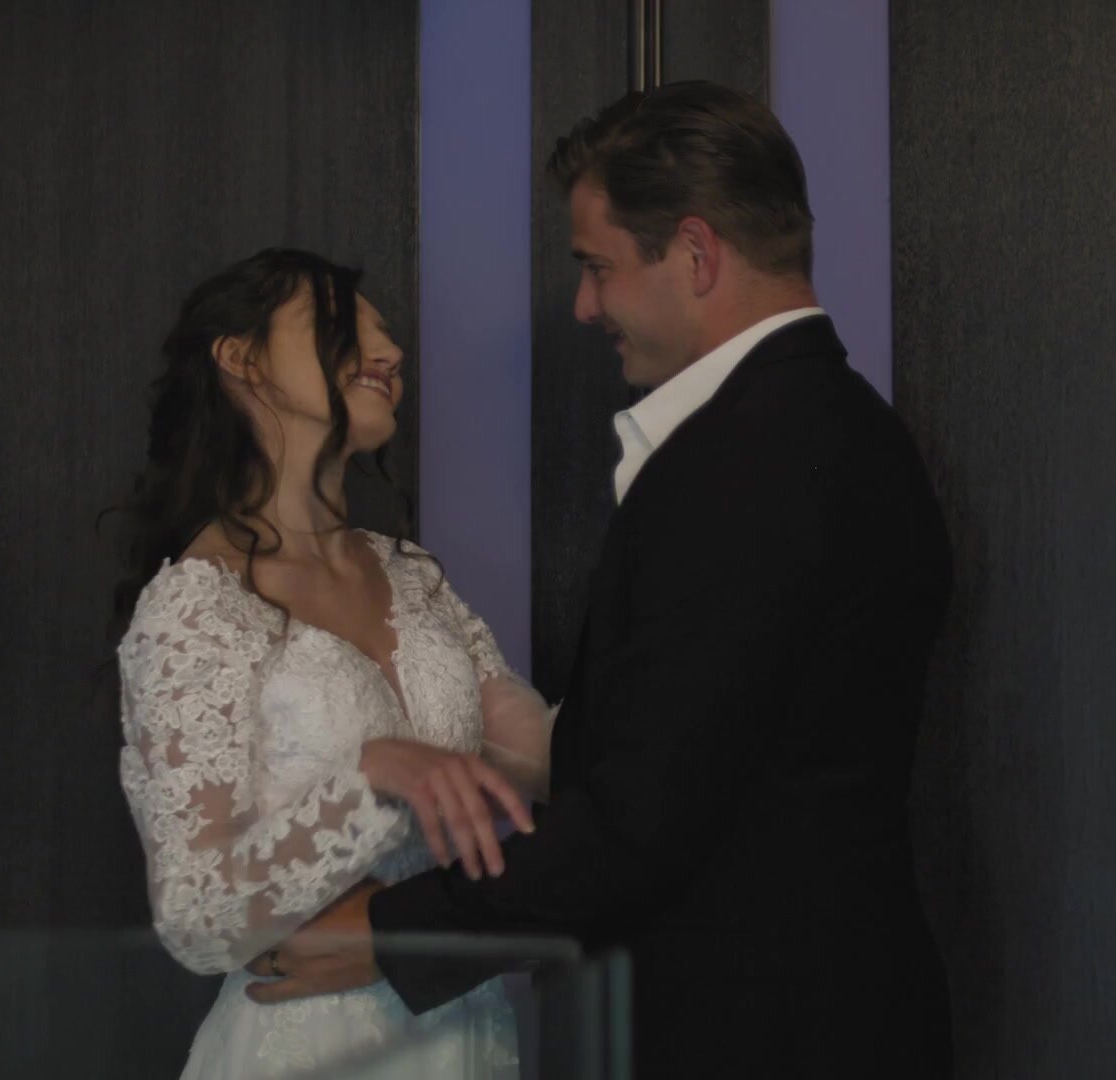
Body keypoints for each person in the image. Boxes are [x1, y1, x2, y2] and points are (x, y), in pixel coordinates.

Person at [257, 82, 956, 1078]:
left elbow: (642, 821)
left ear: (697, 254)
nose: (586, 306)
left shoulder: (748, 461)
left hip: (762, 1035)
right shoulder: (845, 428)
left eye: (598, 267)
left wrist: (387, 931)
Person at [112, 248, 555, 1077]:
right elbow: (195, 918)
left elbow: (549, 757)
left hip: (460, 1032)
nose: (388, 352)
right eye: (341, 326)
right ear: (241, 360)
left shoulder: (412, 578)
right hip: (307, 1048)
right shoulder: (197, 604)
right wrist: (371, 776)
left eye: (385, 334)